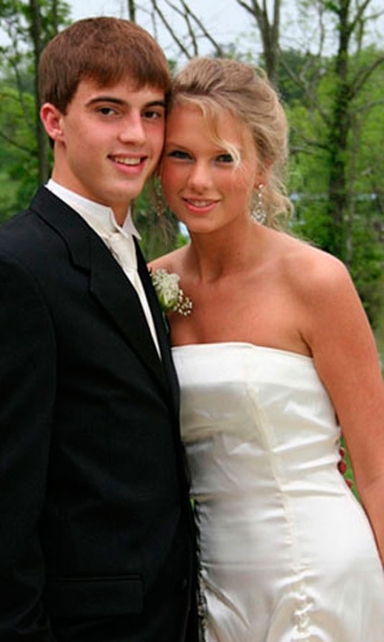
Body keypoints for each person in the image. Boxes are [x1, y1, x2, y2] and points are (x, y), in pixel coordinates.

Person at [0, 18, 198, 642]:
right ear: (55, 120)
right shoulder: (11, 271)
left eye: (151, 113)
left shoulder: (133, 258)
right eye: (108, 110)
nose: (135, 135)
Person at [151, 56, 384, 641]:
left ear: (262, 167)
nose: (198, 180)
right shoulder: (150, 285)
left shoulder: (315, 281)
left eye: (223, 158)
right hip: (208, 586)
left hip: (317, 573)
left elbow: (377, 468)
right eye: (180, 155)